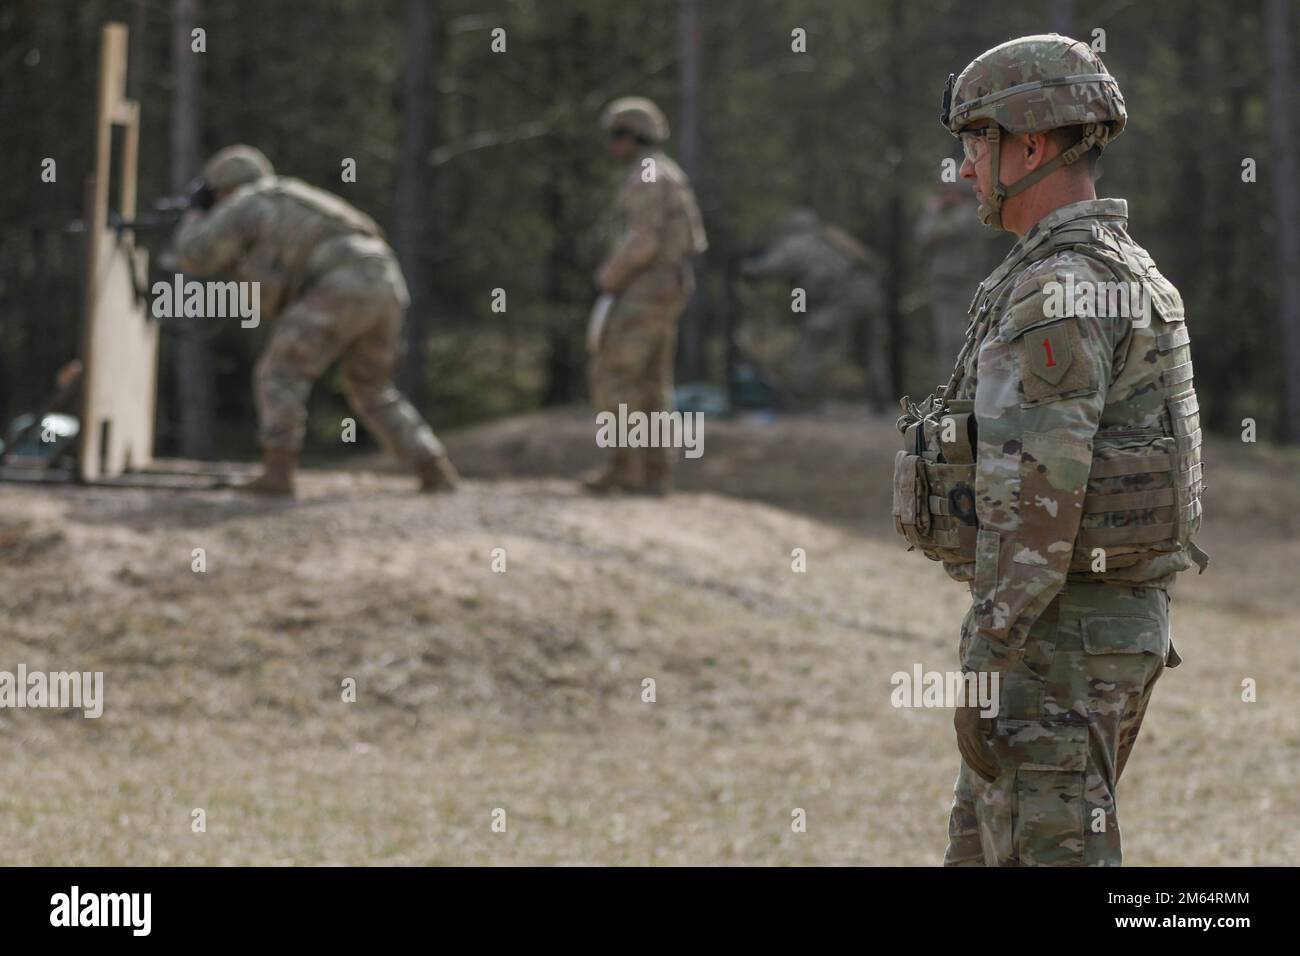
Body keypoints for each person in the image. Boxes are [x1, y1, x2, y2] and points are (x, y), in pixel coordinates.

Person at [891, 34, 1209, 865]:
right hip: (1088, 628)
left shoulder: (1058, 290)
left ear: (1029, 144)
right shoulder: (1124, 269)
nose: (964, 169)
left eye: (974, 144)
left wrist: (990, 649)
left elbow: (1039, 499)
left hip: (1054, 638)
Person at [174, 145, 458, 496]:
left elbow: (194, 255)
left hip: (342, 284)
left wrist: (194, 216)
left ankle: (278, 473)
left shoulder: (245, 201)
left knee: (279, 371)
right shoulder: (294, 197)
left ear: (222, 189)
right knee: (371, 387)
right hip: (385, 282)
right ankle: (433, 467)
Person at [584, 97, 707, 496]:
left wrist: (609, 277)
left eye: (617, 136)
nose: (612, 146)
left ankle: (627, 469)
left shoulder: (649, 174)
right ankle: (655, 473)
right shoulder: (667, 172)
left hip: (645, 286)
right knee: (653, 382)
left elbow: (643, 240)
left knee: (617, 375)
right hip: (667, 286)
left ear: (633, 137)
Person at [740, 208, 889, 408]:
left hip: (841, 299)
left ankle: (801, 398)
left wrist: (746, 267)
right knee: (868, 348)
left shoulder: (798, 243)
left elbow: (770, 267)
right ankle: (881, 398)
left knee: (808, 343)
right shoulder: (833, 241)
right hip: (869, 293)